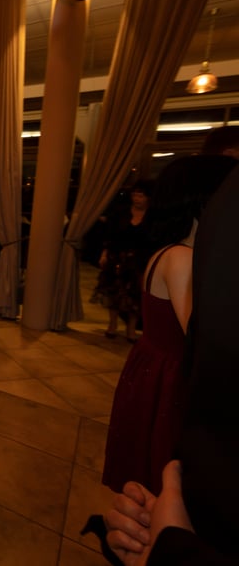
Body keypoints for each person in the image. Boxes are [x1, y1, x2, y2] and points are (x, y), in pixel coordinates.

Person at [103, 163, 239, 566]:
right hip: (168, 372)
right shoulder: (181, 258)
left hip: (154, 365)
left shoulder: (170, 251)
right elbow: (200, 335)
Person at [93, 180, 153, 342]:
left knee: (134, 295)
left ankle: (131, 329)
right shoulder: (121, 213)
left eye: (141, 195)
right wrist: (104, 254)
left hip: (138, 260)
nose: (137, 198)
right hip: (117, 257)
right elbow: (110, 235)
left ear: (148, 197)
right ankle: (112, 324)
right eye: (134, 195)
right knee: (114, 292)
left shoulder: (152, 216)